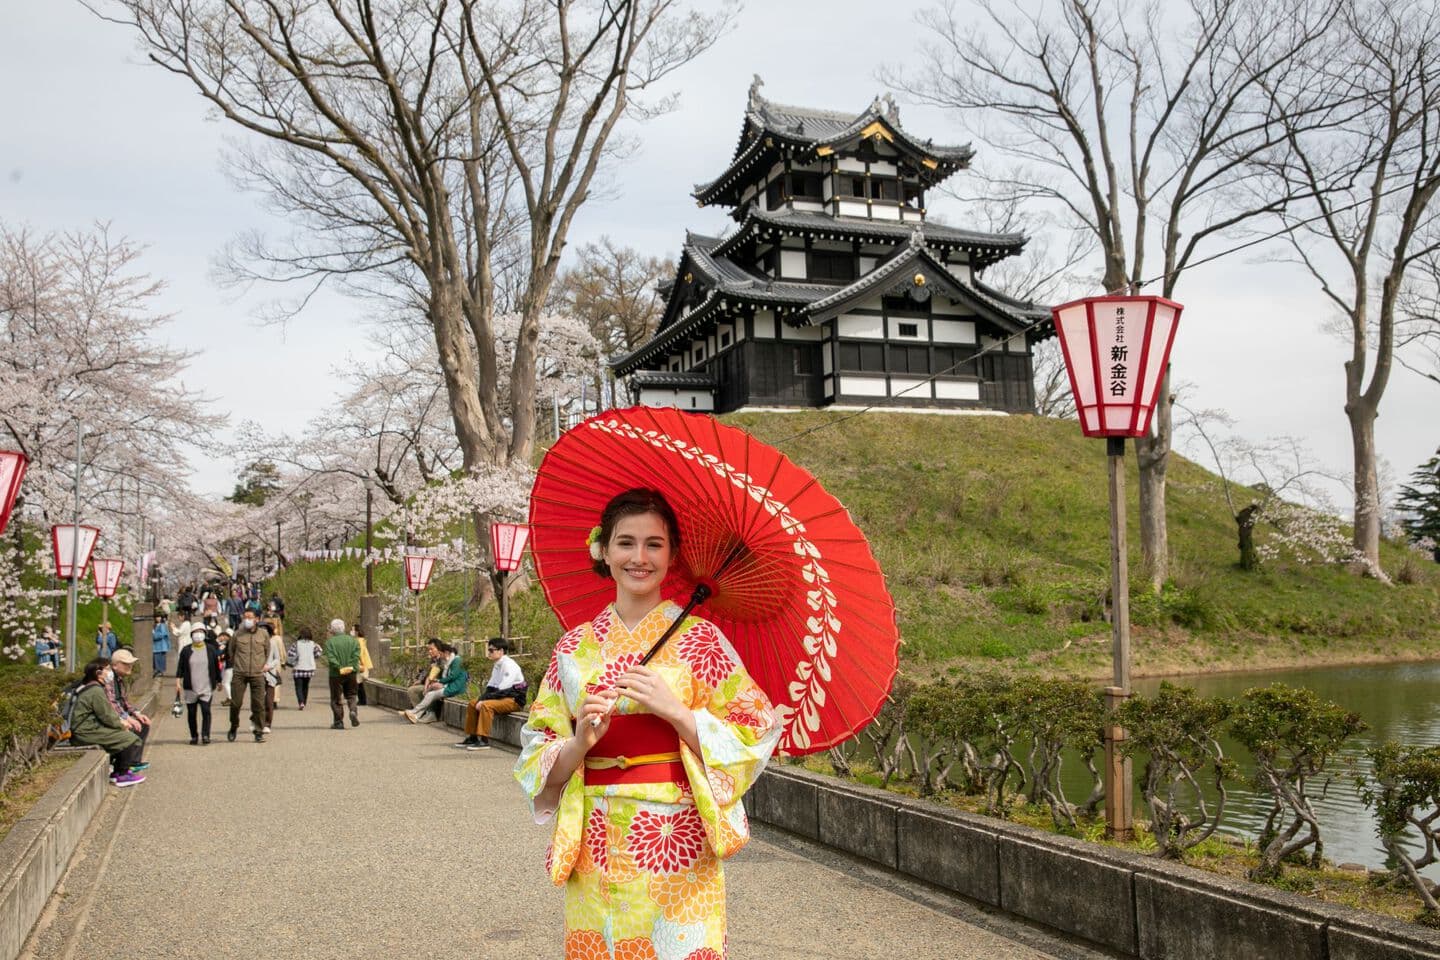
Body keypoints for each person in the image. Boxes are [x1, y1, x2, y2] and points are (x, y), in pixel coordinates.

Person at [515, 488, 780, 958]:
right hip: (595, 839)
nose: (639, 557)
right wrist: (578, 744)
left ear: (672, 554)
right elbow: (538, 747)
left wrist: (677, 712)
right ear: (604, 551)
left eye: (654, 544)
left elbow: (753, 730)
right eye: (626, 542)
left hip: (676, 839)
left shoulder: (702, 640)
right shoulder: (573, 648)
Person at [70, 658, 145, 787]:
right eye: (108, 669)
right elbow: (107, 715)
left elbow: (107, 714)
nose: (110, 672)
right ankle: (121, 774)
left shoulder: (92, 687)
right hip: (85, 731)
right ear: (98, 673)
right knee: (130, 739)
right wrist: (122, 724)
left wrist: (121, 723)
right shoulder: (95, 690)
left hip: (87, 728)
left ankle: (118, 771)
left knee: (124, 735)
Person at [455, 637, 527, 750]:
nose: (489, 653)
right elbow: (490, 687)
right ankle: (472, 736)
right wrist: (481, 699)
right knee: (473, 703)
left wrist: (484, 701)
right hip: (501, 697)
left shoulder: (509, 665)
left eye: (492, 650)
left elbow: (504, 690)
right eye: (489, 650)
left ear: (501, 651)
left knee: (486, 706)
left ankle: (484, 740)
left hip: (514, 700)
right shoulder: (497, 665)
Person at [226, 609, 270, 743]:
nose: (247, 620)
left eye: (250, 617)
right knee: (235, 703)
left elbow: (266, 652)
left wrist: (262, 665)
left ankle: (258, 731)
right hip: (240, 673)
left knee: (258, 705)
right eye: (245, 617)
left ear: (257, 619)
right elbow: (231, 652)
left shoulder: (264, 634)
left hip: (257, 674)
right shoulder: (237, 634)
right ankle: (233, 726)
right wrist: (238, 665)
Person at [103, 649, 151, 769]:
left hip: (118, 714)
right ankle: (123, 767)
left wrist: (137, 713)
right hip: (110, 717)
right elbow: (112, 703)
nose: (130, 666)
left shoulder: (119, 679)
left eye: (130, 663)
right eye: (125, 664)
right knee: (131, 728)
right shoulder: (109, 678)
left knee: (143, 723)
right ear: (114, 665)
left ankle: (133, 762)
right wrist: (127, 718)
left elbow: (124, 701)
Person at [175, 626, 221, 745]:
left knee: (206, 711)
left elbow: (216, 666)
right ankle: (194, 736)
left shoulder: (210, 649)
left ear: (204, 634)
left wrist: (219, 681)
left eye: (201, 632)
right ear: (191, 634)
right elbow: (180, 667)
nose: (198, 634)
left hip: (206, 686)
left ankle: (205, 735)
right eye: (196, 632)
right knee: (191, 713)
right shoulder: (186, 650)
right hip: (191, 687)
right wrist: (178, 682)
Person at [402, 639, 467, 724]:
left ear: (442, 651)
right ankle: (416, 714)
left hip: (450, 687)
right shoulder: (440, 660)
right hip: (444, 685)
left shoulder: (453, 661)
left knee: (430, 692)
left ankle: (419, 713)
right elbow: (429, 674)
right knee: (417, 690)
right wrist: (422, 681)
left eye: (431, 649)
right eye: (428, 649)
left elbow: (451, 676)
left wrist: (439, 682)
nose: (430, 651)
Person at [324, 619, 361, 730]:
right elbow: (356, 656)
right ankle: (353, 711)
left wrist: (339, 667)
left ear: (332, 630)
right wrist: (351, 666)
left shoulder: (330, 642)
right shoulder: (353, 641)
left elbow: (331, 658)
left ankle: (338, 722)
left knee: (336, 698)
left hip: (336, 674)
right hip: (351, 673)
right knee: (352, 695)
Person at [262, 621, 285, 733]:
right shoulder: (255, 643)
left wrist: (269, 666)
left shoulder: (273, 642)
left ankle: (267, 723)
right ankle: (257, 721)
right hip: (256, 674)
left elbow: (277, 658)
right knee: (257, 700)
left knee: (269, 700)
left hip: (270, 675)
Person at [352, 623, 373, 707]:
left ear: (357, 631)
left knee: (357, 682)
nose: (351, 631)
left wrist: (361, 664)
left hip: (360, 663)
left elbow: (359, 653)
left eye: (353, 630)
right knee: (359, 683)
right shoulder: (361, 640)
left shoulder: (358, 641)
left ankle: (362, 700)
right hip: (362, 663)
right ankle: (362, 700)